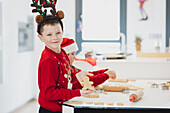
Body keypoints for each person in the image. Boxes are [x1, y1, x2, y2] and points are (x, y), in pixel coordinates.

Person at [31, 3, 93, 113]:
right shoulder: (49, 60)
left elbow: (65, 75)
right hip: (50, 110)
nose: (55, 38)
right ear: (40, 37)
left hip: (62, 106)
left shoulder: (62, 52)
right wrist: (78, 93)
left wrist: (78, 75)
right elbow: (50, 93)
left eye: (58, 33)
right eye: (49, 35)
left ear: (62, 33)